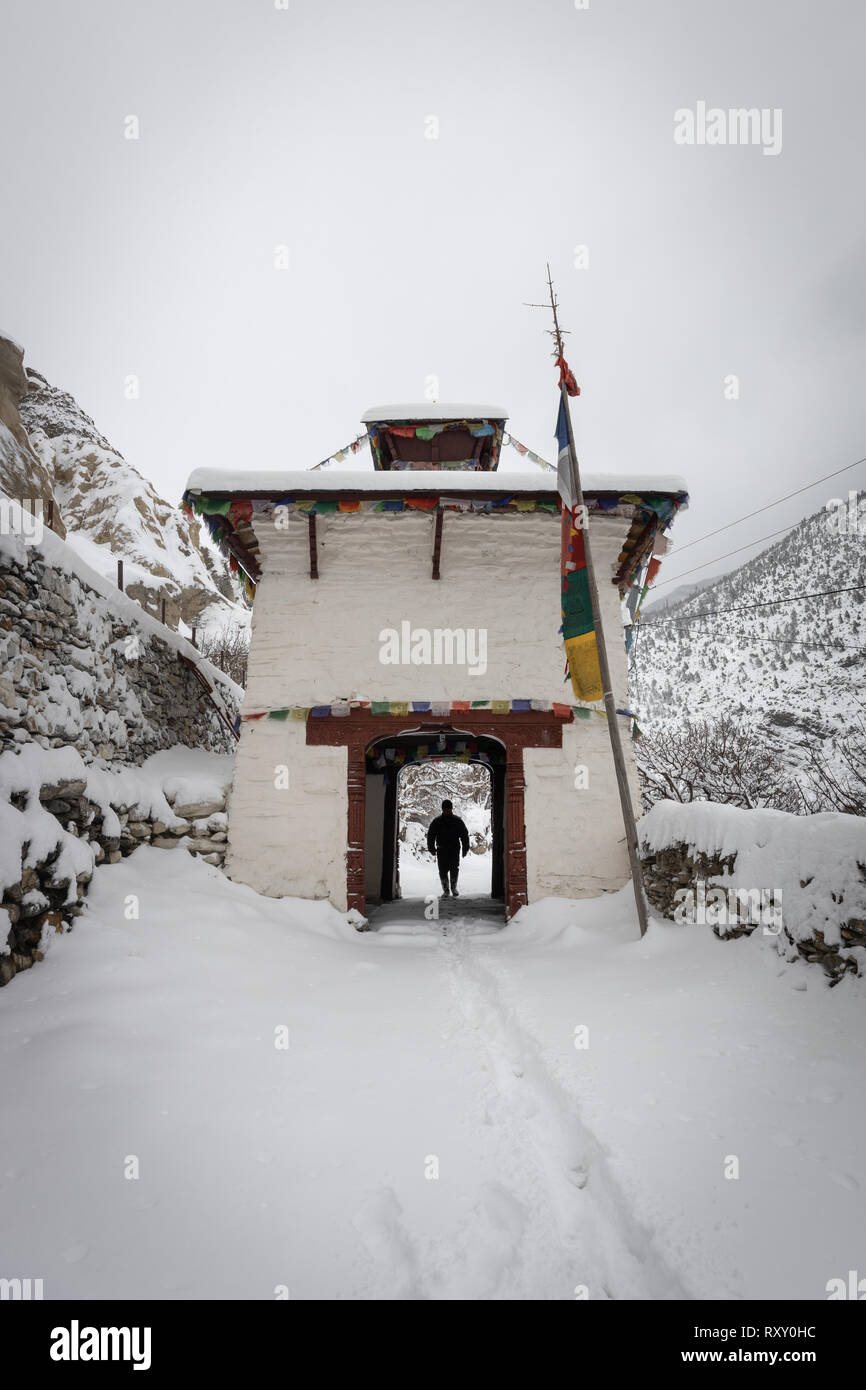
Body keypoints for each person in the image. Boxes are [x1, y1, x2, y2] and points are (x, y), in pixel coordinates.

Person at [426, 799, 470, 897]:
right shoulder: (436, 822)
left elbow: (464, 835)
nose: (447, 811)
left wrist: (465, 849)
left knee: (454, 869)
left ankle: (453, 888)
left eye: (448, 809)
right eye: (445, 809)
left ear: (451, 809)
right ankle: (446, 890)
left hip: (454, 850)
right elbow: (431, 835)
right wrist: (431, 848)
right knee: (442, 870)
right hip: (441, 850)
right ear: (442, 809)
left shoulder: (458, 821)